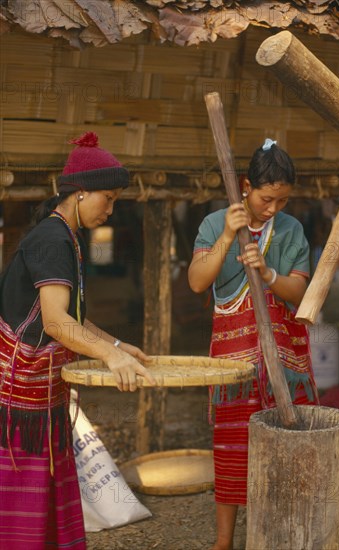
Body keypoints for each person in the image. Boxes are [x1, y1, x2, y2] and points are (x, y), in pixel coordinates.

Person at [0, 132, 155, 549]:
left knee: (42, 504)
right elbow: (54, 323)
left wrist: (119, 347)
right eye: (108, 197)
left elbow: (72, 319)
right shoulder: (53, 240)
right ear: (80, 192)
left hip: (38, 401)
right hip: (19, 405)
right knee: (20, 514)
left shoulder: (64, 236)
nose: (111, 208)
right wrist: (109, 355)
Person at [188, 138, 319, 550]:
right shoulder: (213, 223)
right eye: (267, 199)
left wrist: (267, 274)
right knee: (231, 447)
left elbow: (300, 293)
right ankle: (224, 542)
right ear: (245, 185)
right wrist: (228, 234)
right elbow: (196, 281)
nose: (273, 208)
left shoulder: (292, 230)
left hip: (284, 363)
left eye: (282, 200)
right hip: (235, 366)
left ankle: (279, 534)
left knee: (286, 447)